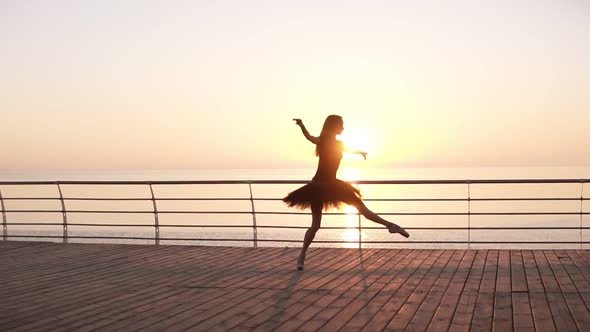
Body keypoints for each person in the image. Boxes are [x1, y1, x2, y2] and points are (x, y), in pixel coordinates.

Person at [284, 115, 409, 270]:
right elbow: (309, 137)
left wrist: (359, 152)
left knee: (362, 209)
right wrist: (302, 126)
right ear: (333, 126)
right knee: (315, 225)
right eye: (341, 125)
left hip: (334, 185)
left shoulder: (339, 144)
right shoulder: (322, 141)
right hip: (318, 187)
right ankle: (302, 255)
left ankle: (390, 225)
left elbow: (347, 149)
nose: (343, 128)